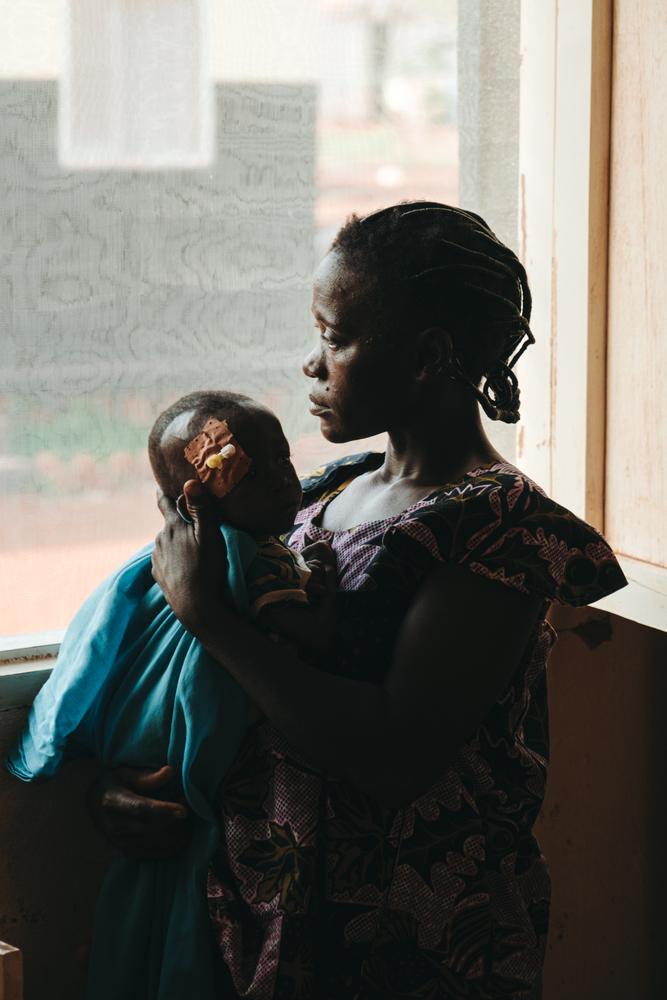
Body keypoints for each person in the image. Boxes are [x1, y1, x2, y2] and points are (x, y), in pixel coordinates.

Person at [90, 202, 627, 999]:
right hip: (263, 921)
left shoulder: (501, 530)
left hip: (416, 947)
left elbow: (393, 756)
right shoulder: (315, 498)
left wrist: (208, 618)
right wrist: (137, 787)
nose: (311, 364)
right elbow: (216, 692)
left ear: (426, 356)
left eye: (334, 339)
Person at [6, 391, 337, 1000]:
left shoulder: (228, 561)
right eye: (256, 474)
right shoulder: (253, 558)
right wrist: (327, 589)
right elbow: (310, 630)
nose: (286, 485)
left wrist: (203, 609)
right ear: (193, 503)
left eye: (286, 462)